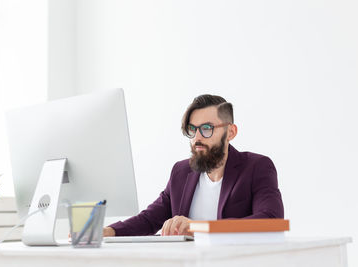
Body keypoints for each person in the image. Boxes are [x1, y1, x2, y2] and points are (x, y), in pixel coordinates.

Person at [104, 94, 284, 237]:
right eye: (192, 129)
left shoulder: (257, 167)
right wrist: (107, 231)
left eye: (207, 128)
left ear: (230, 132)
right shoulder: (181, 172)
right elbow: (150, 219)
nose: (197, 138)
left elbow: (271, 219)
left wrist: (197, 227)